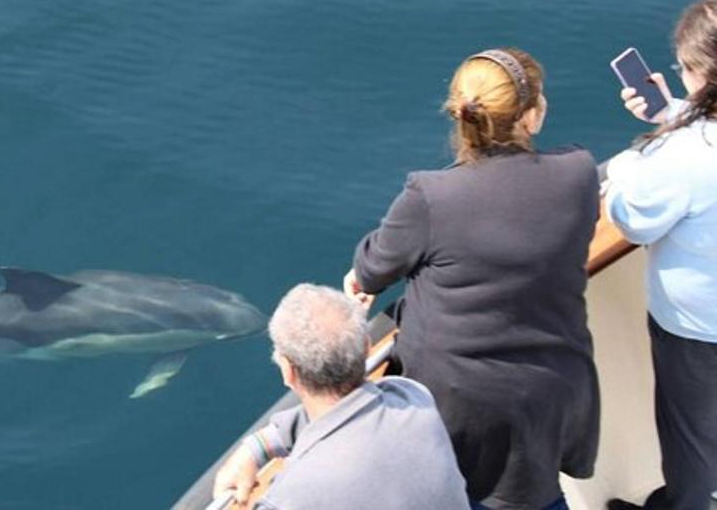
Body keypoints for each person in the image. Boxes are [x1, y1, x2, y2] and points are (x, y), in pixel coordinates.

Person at [343, 48, 600, 510]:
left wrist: (362, 279)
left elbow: (370, 270)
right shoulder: (578, 173)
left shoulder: (430, 196)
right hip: (554, 388)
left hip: (461, 405)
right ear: (532, 116)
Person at [604, 0, 717, 510]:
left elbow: (630, 216)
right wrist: (676, 114)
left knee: (691, 439)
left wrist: (648, 146)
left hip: (700, 331)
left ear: (700, 72)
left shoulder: (686, 156)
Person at [212, 284, 469, 510]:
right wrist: (258, 447)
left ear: (288, 372)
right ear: (367, 347)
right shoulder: (412, 398)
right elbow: (346, 410)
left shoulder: (291, 498)